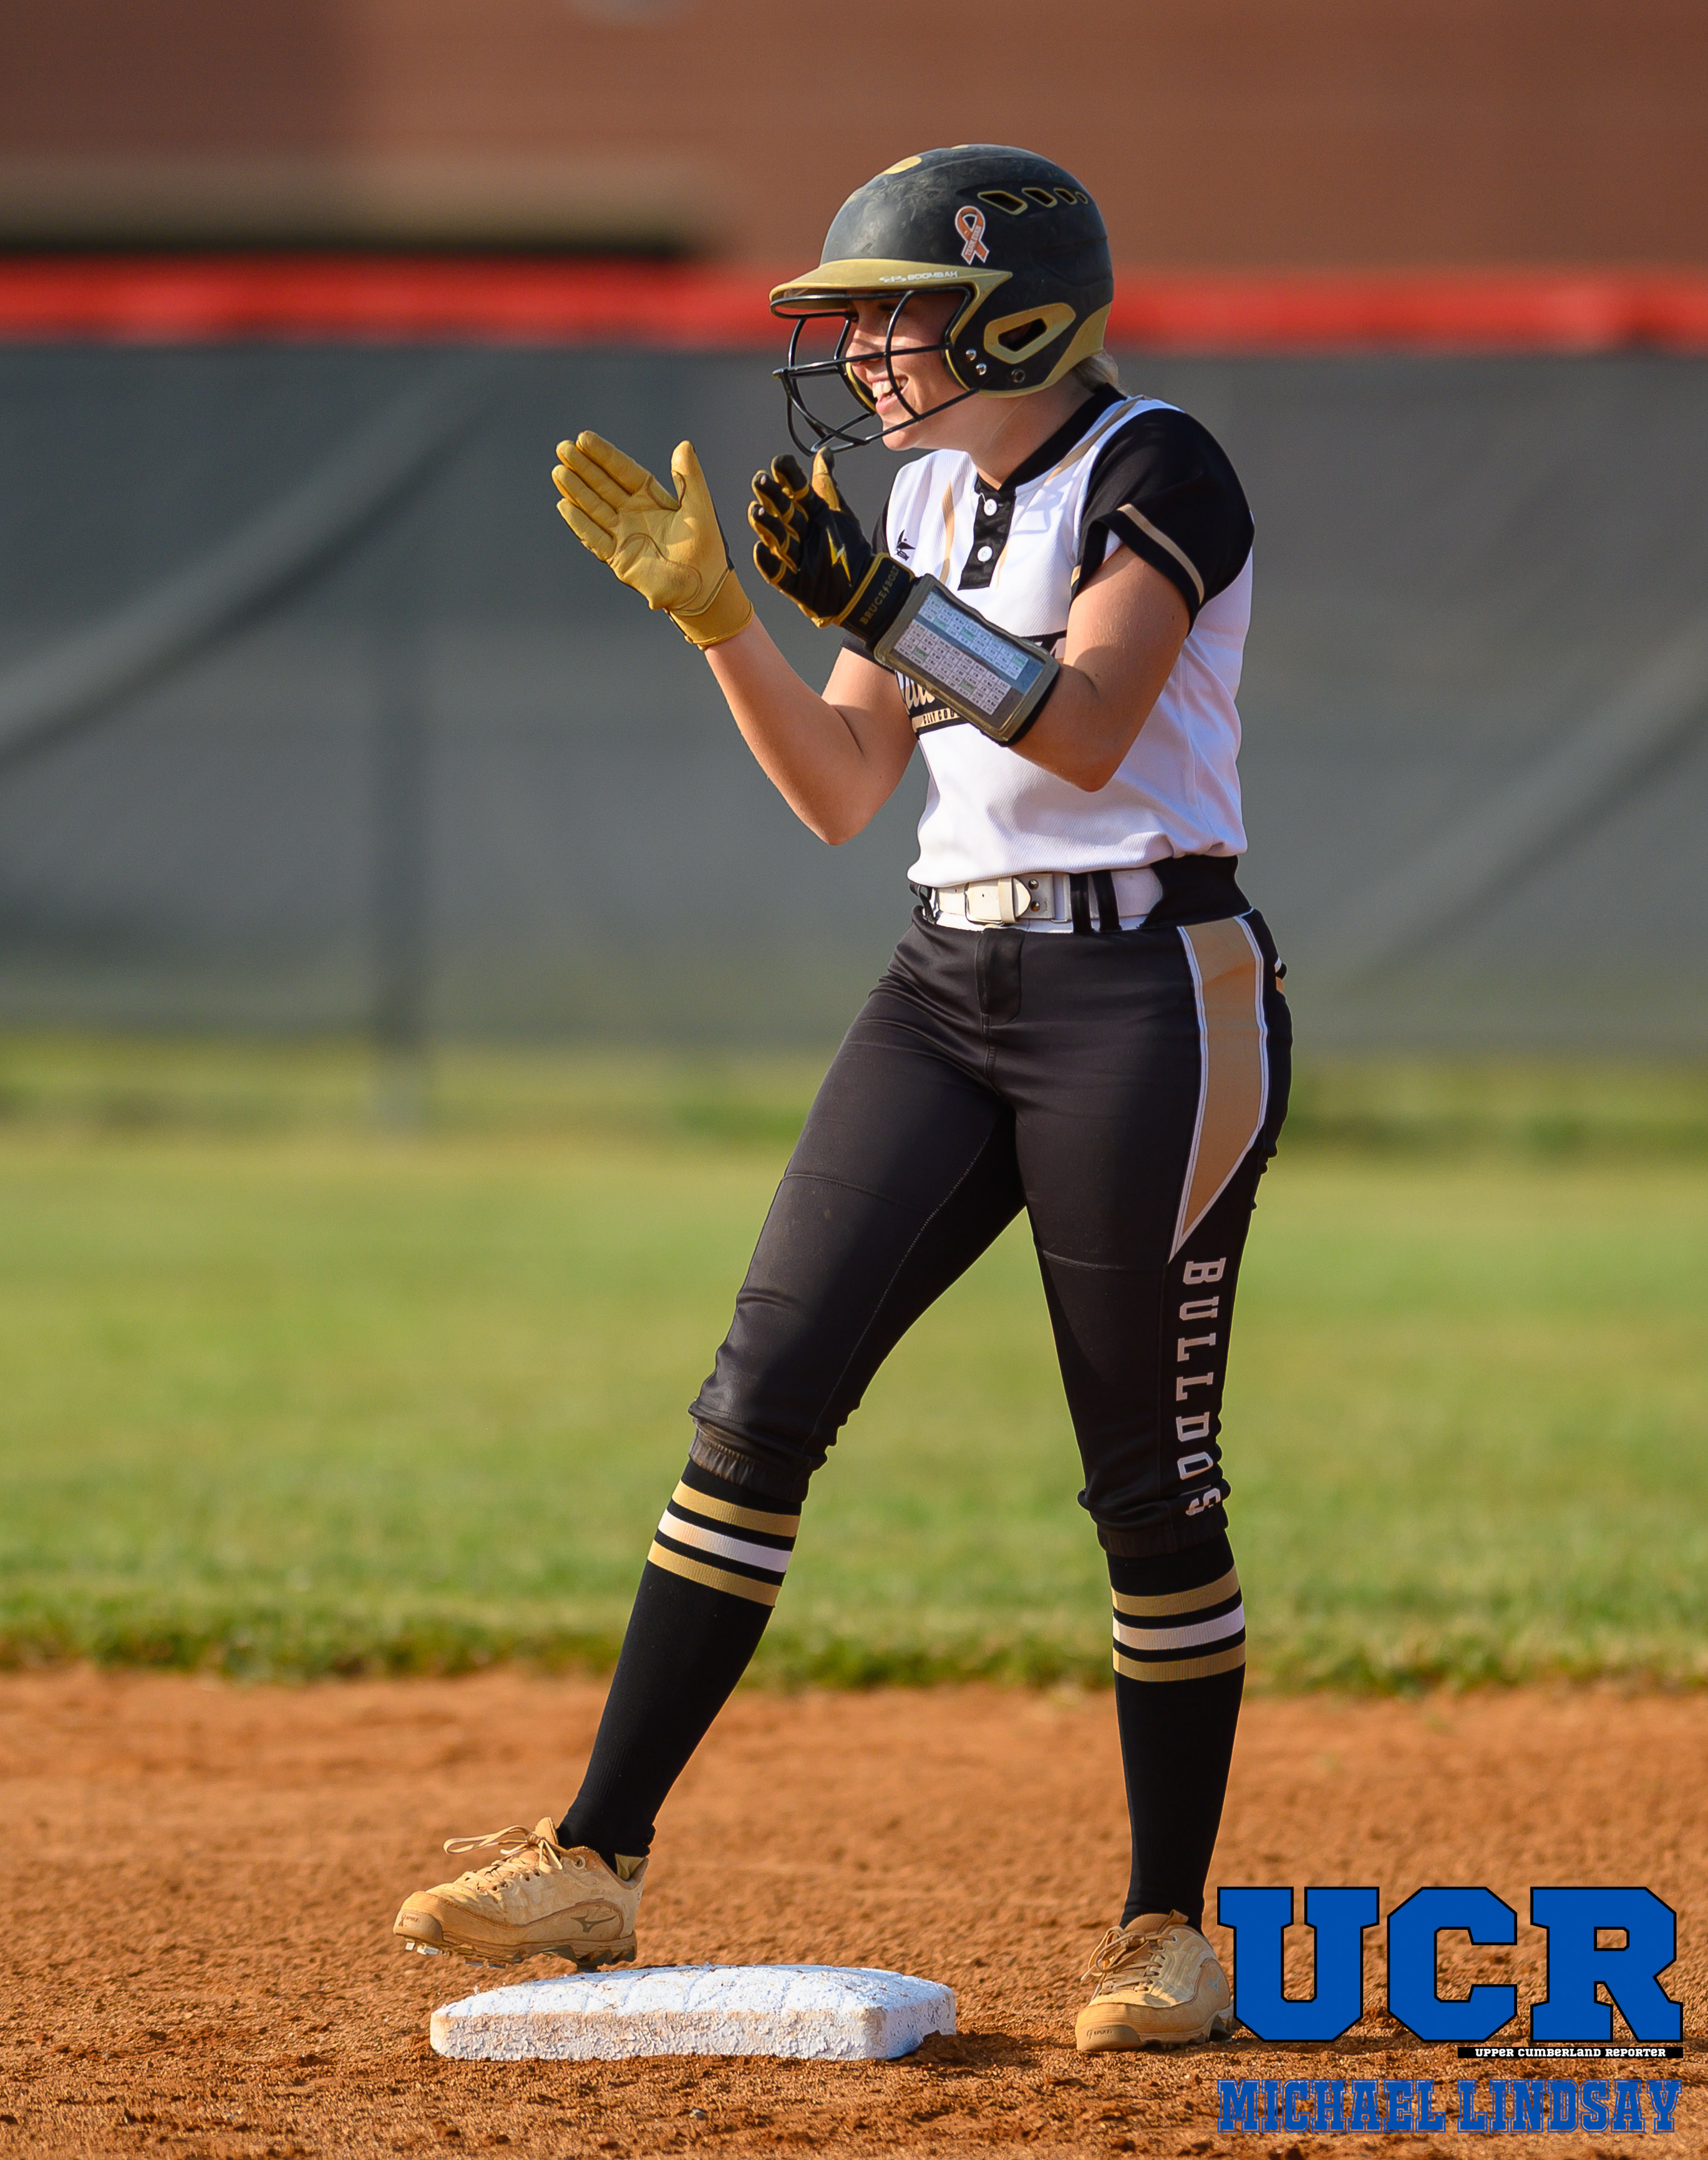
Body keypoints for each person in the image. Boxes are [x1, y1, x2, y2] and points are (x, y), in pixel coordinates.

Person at [393, 144, 1289, 2055]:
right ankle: (597, 1855)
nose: (862, 347)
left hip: (1149, 993)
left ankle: (1166, 1928)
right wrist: (722, 615)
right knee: (759, 1398)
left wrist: (881, 601)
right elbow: (840, 789)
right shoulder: (926, 489)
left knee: (1145, 1482)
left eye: (894, 312)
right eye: (856, 318)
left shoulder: (1155, 464)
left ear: (1015, 318)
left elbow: (1089, 724)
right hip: (944, 981)